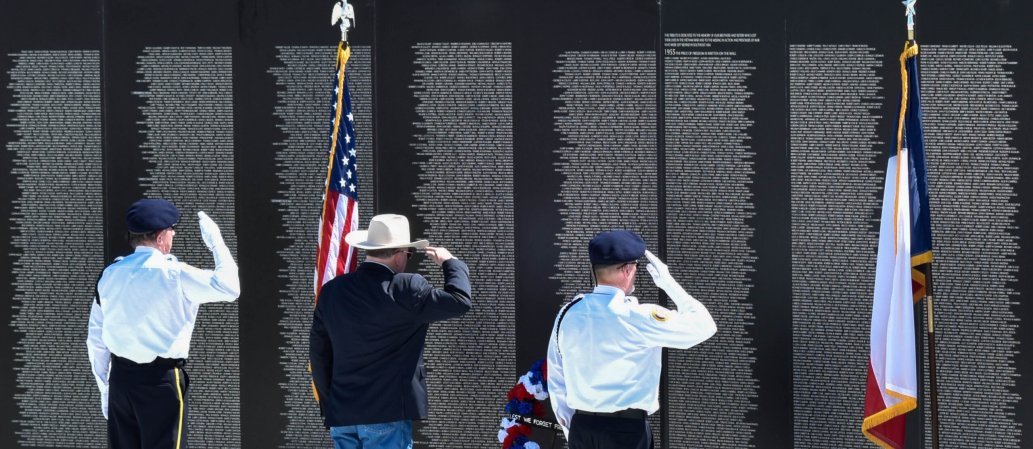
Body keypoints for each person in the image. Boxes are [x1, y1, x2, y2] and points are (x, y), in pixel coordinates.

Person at [85, 198, 240, 449]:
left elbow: (96, 339)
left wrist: (105, 388)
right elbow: (230, 288)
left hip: (121, 382)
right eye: (171, 230)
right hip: (160, 382)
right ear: (159, 237)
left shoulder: (110, 274)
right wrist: (216, 242)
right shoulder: (175, 274)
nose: (173, 234)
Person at [310, 214, 472, 449]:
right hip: (385, 414)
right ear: (399, 256)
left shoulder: (332, 290)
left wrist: (331, 404)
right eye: (409, 254)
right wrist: (451, 262)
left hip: (342, 413)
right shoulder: (406, 288)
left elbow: (319, 354)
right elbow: (459, 300)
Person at [547, 230, 717, 449]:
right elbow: (704, 326)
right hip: (626, 433)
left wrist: (573, 430)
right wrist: (669, 284)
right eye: (635, 267)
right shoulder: (638, 316)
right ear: (627, 269)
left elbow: (556, 378)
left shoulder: (567, 313)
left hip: (582, 429)